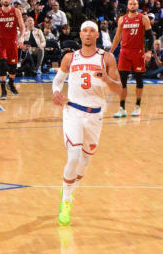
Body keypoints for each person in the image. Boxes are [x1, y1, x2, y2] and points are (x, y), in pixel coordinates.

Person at [53, 20, 123, 226]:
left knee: (84, 162)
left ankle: (69, 190)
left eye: (92, 31)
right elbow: (57, 81)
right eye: (85, 30)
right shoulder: (70, 57)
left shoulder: (106, 58)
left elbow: (119, 89)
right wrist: (56, 93)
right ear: (80, 35)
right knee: (73, 156)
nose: (88, 34)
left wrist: (107, 80)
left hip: (95, 115)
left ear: (97, 35)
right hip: (73, 110)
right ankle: (65, 201)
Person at [112, 0, 151, 118]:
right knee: (122, 81)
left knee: (139, 79)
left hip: (138, 52)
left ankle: (137, 106)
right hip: (124, 52)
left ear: (137, 5)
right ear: (127, 6)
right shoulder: (122, 19)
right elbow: (117, 37)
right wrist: (111, 51)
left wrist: (149, 51)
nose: (132, 6)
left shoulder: (143, 18)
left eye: (134, 4)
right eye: (130, 4)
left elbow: (150, 36)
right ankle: (122, 108)